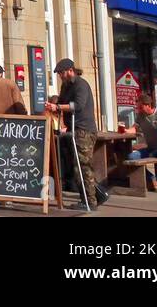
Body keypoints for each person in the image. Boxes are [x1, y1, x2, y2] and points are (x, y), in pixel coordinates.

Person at [45, 58, 99, 210]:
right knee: (76, 167)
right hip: (72, 129)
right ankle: (87, 198)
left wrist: (58, 107)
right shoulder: (65, 86)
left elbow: (78, 105)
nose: (61, 76)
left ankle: (90, 201)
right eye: (59, 74)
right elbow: (60, 103)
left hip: (84, 130)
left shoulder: (81, 85)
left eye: (62, 73)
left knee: (83, 166)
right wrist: (53, 106)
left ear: (70, 70)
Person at [122, 93, 157, 193]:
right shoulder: (140, 116)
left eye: (140, 107)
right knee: (131, 157)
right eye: (137, 108)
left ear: (148, 105)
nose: (139, 110)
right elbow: (134, 128)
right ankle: (151, 178)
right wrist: (125, 130)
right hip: (151, 148)